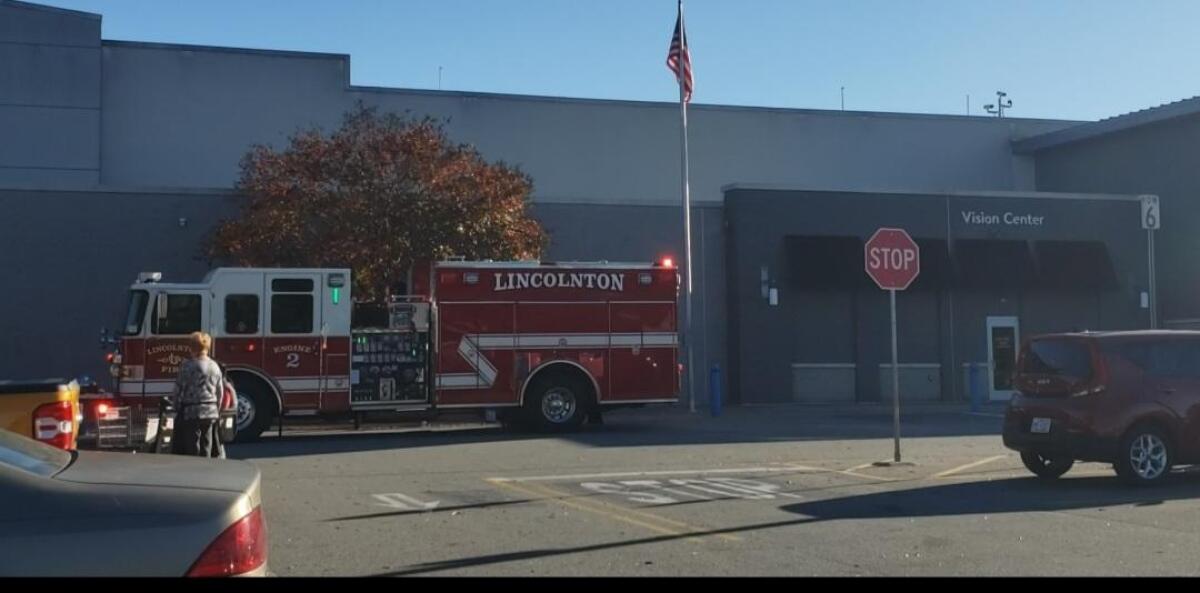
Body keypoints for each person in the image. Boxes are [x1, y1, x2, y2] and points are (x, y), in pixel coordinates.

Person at [170, 331, 225, 457]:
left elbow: (178, 388)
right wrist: (218, 408)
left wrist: (176, 406)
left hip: (192, 410)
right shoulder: (215, 366)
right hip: (211, 411)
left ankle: (195, 466)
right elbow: (220, 391)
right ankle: (206, 465)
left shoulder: (187, 366)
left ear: (192, 348)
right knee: (207, 441)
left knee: (193, 443)